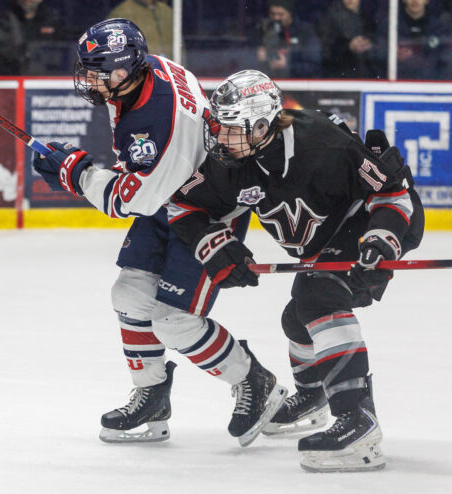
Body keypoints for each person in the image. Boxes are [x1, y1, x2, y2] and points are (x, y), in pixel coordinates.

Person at [31, 19, 286, 446]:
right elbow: (144, 178)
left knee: (175, 322)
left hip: (207, 211)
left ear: (127, 68)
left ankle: (255, 381)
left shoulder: (161, 126)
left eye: (100, 71)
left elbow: (132, 200)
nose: (91, 80)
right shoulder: (146, 74)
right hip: (169, 188)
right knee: (129, 294)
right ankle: (151, 396)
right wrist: (79, 169)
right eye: (88, 68)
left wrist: (74, 174)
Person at [168, 70, 424, 472]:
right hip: (323, 242)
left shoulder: (322, 143)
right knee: (297, 319)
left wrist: (380, 241)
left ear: (262, 125)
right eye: (217, 126)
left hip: (373, 222)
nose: (219, 138)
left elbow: (392, 193)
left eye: (230, 129)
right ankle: (311, 396)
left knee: (318, 298)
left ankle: (359, 420)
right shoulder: (230, 162)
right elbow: (182, 207)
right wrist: (216, 246)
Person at [0, 0, 70, 75]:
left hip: (44, 82)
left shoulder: (53, 22)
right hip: (9, 82)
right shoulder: (3, 21)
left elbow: (62, 53)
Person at [377, 0, 452, 80]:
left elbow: (446, 58)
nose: (415, 1)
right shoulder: (389, 25)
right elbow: (377, 53)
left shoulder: (439, 27)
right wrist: (391, 53)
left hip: (430, 83)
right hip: (398, 83)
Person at [254, 0, 321, 79]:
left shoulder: (304, 31)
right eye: (273, 14)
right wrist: (258, 56)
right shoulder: (263, 30)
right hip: (269, 84)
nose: (276, 18)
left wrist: (288, 65)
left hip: (298, 85)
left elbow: (314, 65)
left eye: (281, 14)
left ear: (290, 13)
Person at [317, 0, 382, 78]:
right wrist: (348, 47)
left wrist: (371, 46)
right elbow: (325, 52)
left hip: (364, 77)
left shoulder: (367, 17)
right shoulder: (330, 17)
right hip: (339, 77)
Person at [107, 0, 173, 57]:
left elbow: (179, 46)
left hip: (169, 67)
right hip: (141, 69)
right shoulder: (122, 13)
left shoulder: (167, 11)